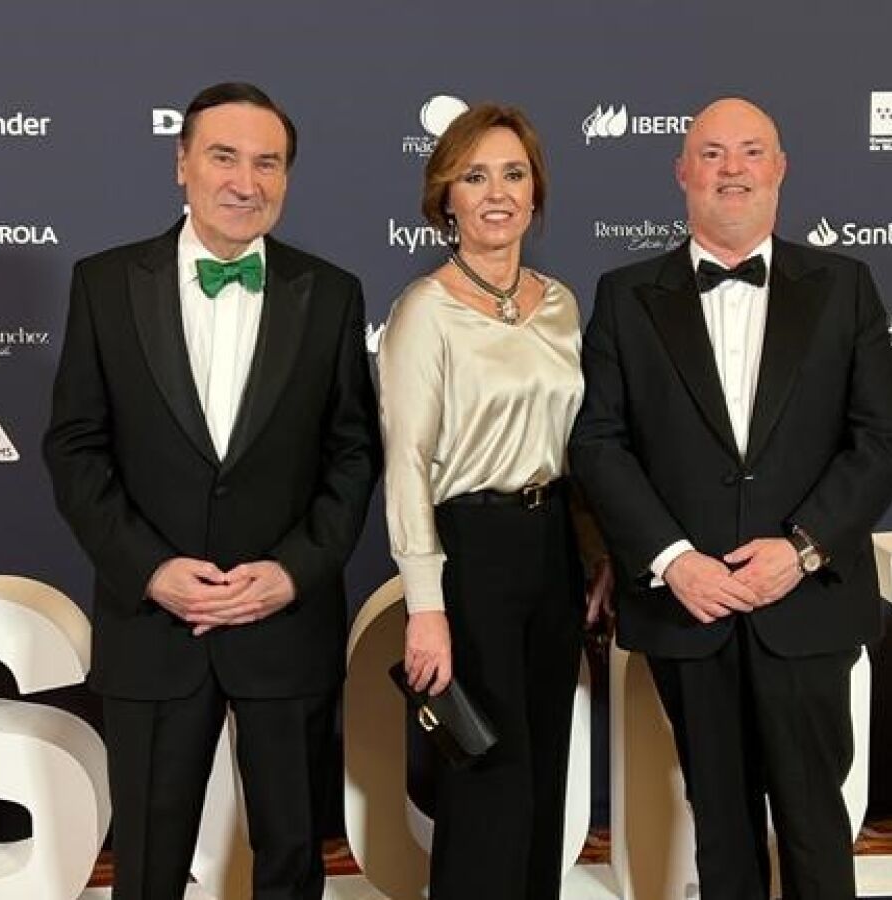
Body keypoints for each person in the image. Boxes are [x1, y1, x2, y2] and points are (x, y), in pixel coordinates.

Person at [43, 81, 381, 900]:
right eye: (224, 157)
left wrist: (293, 571)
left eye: (268, 163)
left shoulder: (331, 293)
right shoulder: (105, 283)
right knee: (148, 867)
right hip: (154, 630)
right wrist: (151, 570)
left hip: (285, 628)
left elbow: (352, 455)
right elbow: (76, 449)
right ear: (182, 164)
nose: (246, 182)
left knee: (292, 861)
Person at [569, 97, 892, 900]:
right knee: (719, 829)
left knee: (817, 826)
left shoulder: (844, 286)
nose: (733, 170)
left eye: (752, 151)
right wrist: (672, 560)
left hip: (807, 604)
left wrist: (802, 549)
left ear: (780, 168)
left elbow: (883, 438)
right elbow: (598, 444)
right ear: (682, 172)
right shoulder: (624, 295)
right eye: (713, 153)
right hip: (690, 609)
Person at [378, 103, 611, 900]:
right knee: (488, 780)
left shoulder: (561, 304)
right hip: (469, 556)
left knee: (543, 773)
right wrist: (425, 606)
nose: (497, 192)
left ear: (536, 191)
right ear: (445, 196)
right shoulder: (424, 310)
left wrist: (595, 552)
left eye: (514, 174)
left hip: (553, 553)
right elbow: (407, 465)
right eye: (475, 176)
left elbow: (576, 446)